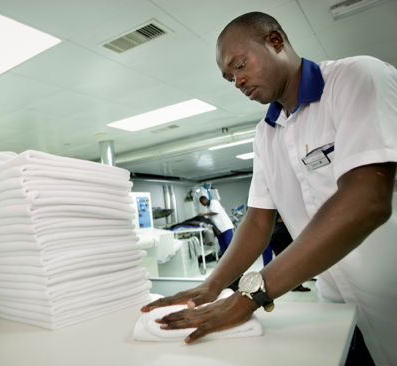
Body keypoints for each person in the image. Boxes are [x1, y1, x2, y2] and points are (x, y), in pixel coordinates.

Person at [141, 11, 396, 366]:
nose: (238, 81)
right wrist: (213, 284)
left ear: (275, 42)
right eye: (230, 77)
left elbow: (368, 199)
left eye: (240, 65)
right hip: (335, 293)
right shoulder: (266, 132)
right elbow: (259, 220)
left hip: (391, 285)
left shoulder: (355, 78)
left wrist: (250, 296)